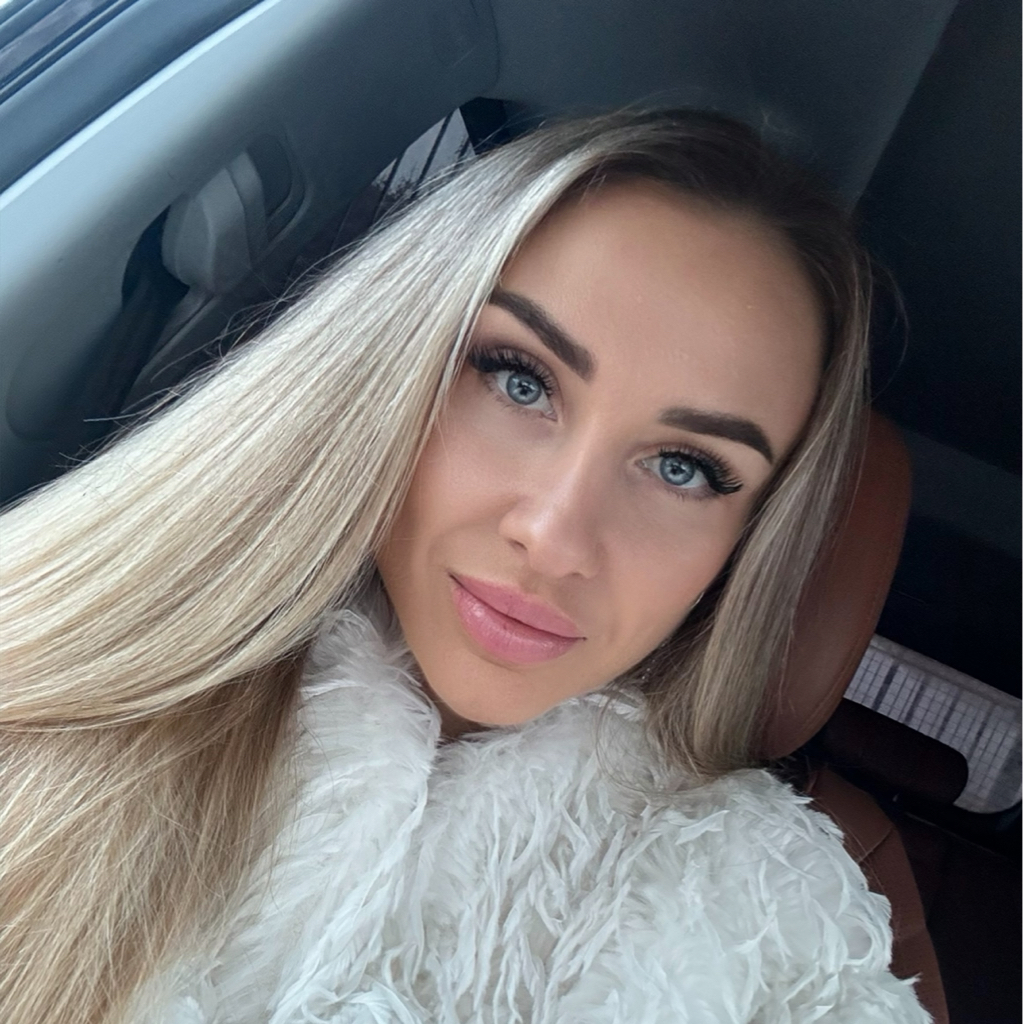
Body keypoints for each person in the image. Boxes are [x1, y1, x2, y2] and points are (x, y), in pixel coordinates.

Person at [0, 109, 931, 1023]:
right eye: (518, 380)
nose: (554, 537)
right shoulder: (44, 680)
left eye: (685, 468)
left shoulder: (768, 924)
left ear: (745, 545)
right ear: (392, 360)